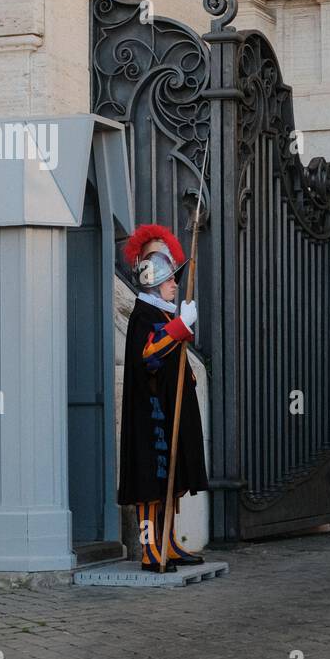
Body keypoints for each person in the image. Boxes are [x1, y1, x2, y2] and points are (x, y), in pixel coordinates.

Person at [118, 224, 208, 571]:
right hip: (151, 413)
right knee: (149, 484)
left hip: (169, 407)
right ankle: (148, 547)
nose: (175, 283)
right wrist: (180, 327)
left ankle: (167, 541)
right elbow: (149, 355)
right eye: (169, 277)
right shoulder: (145, 313)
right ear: (152, 277)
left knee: (171, 482)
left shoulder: (163, 311)